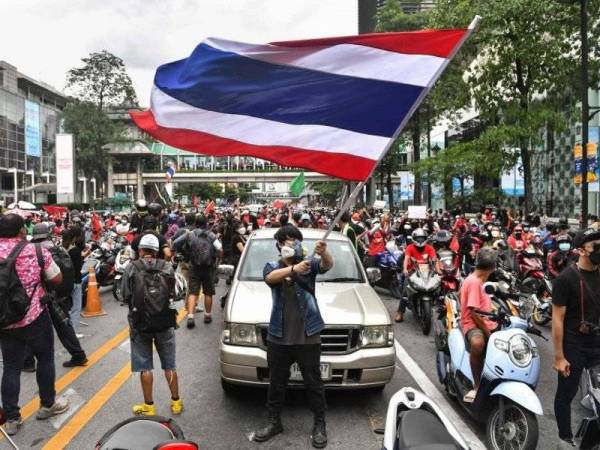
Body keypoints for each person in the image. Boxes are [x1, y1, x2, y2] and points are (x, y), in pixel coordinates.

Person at [253, 225, 333, 448]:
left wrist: (324, 251)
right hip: (278, 336)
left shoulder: (310, 265)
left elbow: (327, 264)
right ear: (279, 244)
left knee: (314, 384)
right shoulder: (273, 265)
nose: (293, 244)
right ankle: (273, 422)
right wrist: (293, 269)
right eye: (288, 240)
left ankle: (319, 424)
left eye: (296, 240)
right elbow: (270, 278)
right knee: (276, 383)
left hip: (309, 336)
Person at [0, 214, 69, 436]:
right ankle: (47, 405)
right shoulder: (35, 250)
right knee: (45, 358)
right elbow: (57, 279)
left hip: (5, 321)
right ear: (21, 230)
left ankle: (12, 418)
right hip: (34, 316)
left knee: (11, 367)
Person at [121, 234, 182, 416]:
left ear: (140, 250)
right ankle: (176, 402)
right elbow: (177, 293)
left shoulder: (132, 268)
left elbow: (124, 294)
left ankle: (149, 406)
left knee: (145, 366)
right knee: (169, 365)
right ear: (156, 251)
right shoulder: (167, 267)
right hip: (165, 322)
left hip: (140, 323)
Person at [552, 228, 600, 446]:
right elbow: (558, 320)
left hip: (597, 341)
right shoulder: (565, 279)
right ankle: (565, 437)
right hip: (574, 344)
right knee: (566, 393)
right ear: (581, 250)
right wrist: (559, 357)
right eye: (596, 247)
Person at [25, 224, 87, 368]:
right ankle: (78, 355)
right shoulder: (59, 249)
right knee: (64, 326)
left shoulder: (33, 251)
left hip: (40, 297)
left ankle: (28, 362)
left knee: (30, 327)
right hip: (60, 296)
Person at [459, 247, 498, 403]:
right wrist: (488, 333)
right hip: (471, 324)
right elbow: (474, 313)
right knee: (478, 344)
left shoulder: (475, 279)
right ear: (493, 267)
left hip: (486, 319)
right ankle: (477, 385)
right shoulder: (474, 282)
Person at [173, 215, 222, 327]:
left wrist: (180, 254)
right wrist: (217, 260)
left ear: (195, 223)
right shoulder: (211, 235)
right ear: (206, 224)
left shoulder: (190, 234)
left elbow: (175, 243)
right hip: (208, 268)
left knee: (193, 292)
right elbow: (220, 249)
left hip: (194, 267)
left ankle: (190, 316)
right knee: (208, 292)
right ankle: (207, 315)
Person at [396, 228, 437, 323]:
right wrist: (405, 269)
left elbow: (434, 258)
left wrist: (436, 267)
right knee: (405, 291)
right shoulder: (410, 247)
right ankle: (400, 312)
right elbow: (406, 259)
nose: (420, 240)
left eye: (422, 238)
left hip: (426, 272)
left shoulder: (429, 248)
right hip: (412, 272)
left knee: (436, 284)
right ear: (414, 238)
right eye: (418, 238)